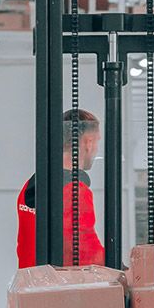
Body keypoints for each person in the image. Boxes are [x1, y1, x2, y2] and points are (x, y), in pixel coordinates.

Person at [16, 108, 106, 268]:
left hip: (32, 281)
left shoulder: (31, 186)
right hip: (57, 282)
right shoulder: (74, 190)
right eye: (97, 141)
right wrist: (121, 269)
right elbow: (85, 251)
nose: (97, 149)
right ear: (88, 143)